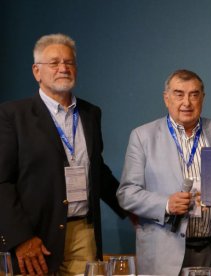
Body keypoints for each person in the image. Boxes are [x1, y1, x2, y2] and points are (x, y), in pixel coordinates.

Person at [0, 33, 126, 276]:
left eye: (69, 62)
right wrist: (21, 239)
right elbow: (1, 182)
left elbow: (96, 170)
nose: (63, 68)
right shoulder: (12, 115)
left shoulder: (91, 113)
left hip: (83, 233)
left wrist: (129, 207)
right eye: (54, 63)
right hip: (36, 237)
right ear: (37, 71)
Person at [116, 69, 211, 276]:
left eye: (194, 94)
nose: (187, 102)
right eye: (179, 94)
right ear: (166, 98)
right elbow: (126, 193)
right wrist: (166, 204)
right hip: (163, 251)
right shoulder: (143, 137)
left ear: (203, 98)